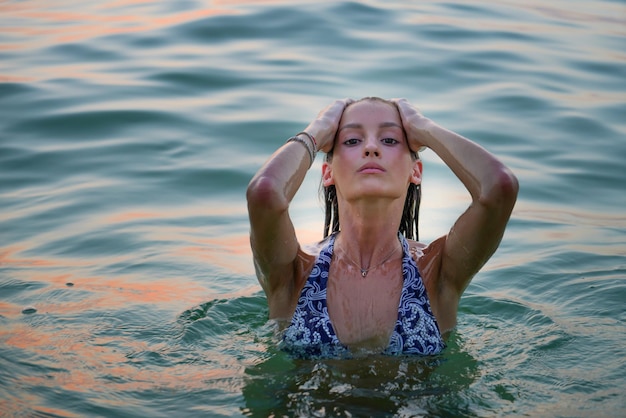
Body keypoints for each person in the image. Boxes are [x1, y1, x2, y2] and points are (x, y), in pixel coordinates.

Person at [246, 97, 518, 359]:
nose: (371, 148)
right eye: (352, 140)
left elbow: (498, 189)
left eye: (389, 140)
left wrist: (423, 126)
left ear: (416, 171)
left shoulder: (437, 271)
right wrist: (317, 130)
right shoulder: (296, 272)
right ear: (328, 173)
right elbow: (265, 194)